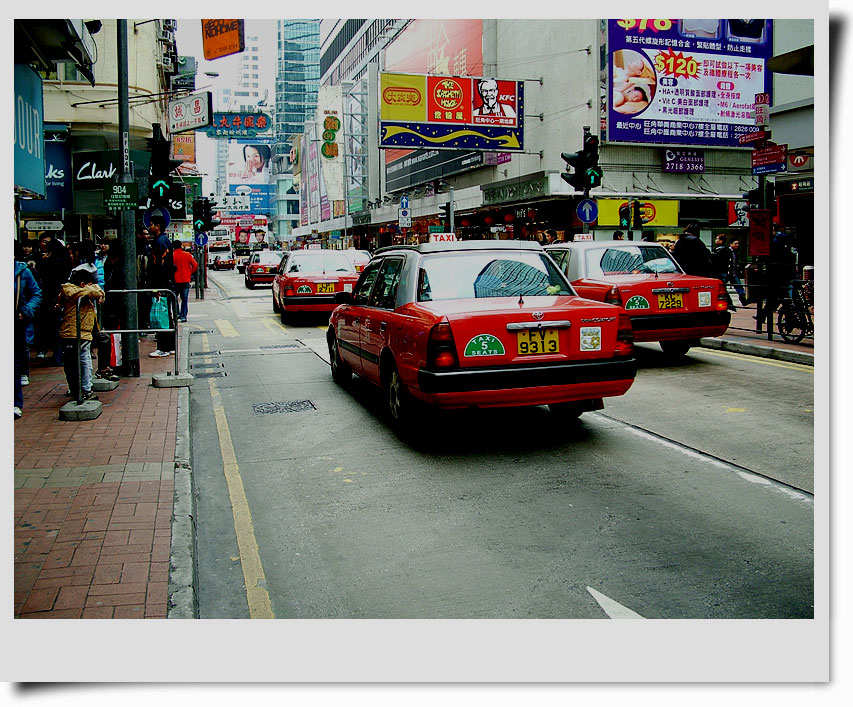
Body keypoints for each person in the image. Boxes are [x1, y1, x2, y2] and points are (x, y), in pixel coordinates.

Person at [57, 265, 104, 401]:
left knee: (84, 360)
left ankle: (85, 388)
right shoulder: (68, 289)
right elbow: (84, 292)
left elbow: (99, 291)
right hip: (71, 332)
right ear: (82, 284)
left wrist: (97, 291)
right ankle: (77, 389)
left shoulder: (82, 289)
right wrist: (95, 290)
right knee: (73, 363)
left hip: (84, 332)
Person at [34, 235, 72, 365]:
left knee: (55, 328)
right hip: (60, 297)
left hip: (49, 299)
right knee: (59, 327)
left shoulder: (47, 262)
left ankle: (57, 356)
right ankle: (59, 355)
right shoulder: (64, 261)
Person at [15, 242, 42, 419]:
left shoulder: (21, 271)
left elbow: (36, 293)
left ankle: (15, 403)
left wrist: (26, 311)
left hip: (15, 321)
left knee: (13, 362)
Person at [147, 216, 176, 357]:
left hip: (162, 285)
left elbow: (160, 266)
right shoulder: (163, 241)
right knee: (166, 316)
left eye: (151, 225)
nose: (149, 227)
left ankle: (164, 348)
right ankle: (170, 346)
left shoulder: (160, 242)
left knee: (162, 316)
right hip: (166, 284)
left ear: (158, 226)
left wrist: (156, 288)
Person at [171, 240, 198, 323]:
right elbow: (195, 265)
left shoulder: (171, 255)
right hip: (185, 280)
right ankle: (183, 316)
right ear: (181, 245)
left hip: (174, 280)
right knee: (184, 299)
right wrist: (189, 272)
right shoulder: (187, 255)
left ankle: (176, 314)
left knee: (174, 298)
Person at [712, 234, 736, 311]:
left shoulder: (720, 250)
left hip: (720, 271)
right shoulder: (724, 250)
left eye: (717, 239)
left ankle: (729, 304)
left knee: (722, 288)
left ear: (721, 241)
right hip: (723, 271)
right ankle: (729, 304)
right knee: (722, 288)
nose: (716, 240)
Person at [729, 239, 747, 305]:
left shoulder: (736, 252)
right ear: (731, 244)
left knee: (739, 286)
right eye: (735, 243)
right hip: (728, 272)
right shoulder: (728, 251)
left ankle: (743, 299)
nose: (737, 245)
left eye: (738, 243)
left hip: (733, 272)